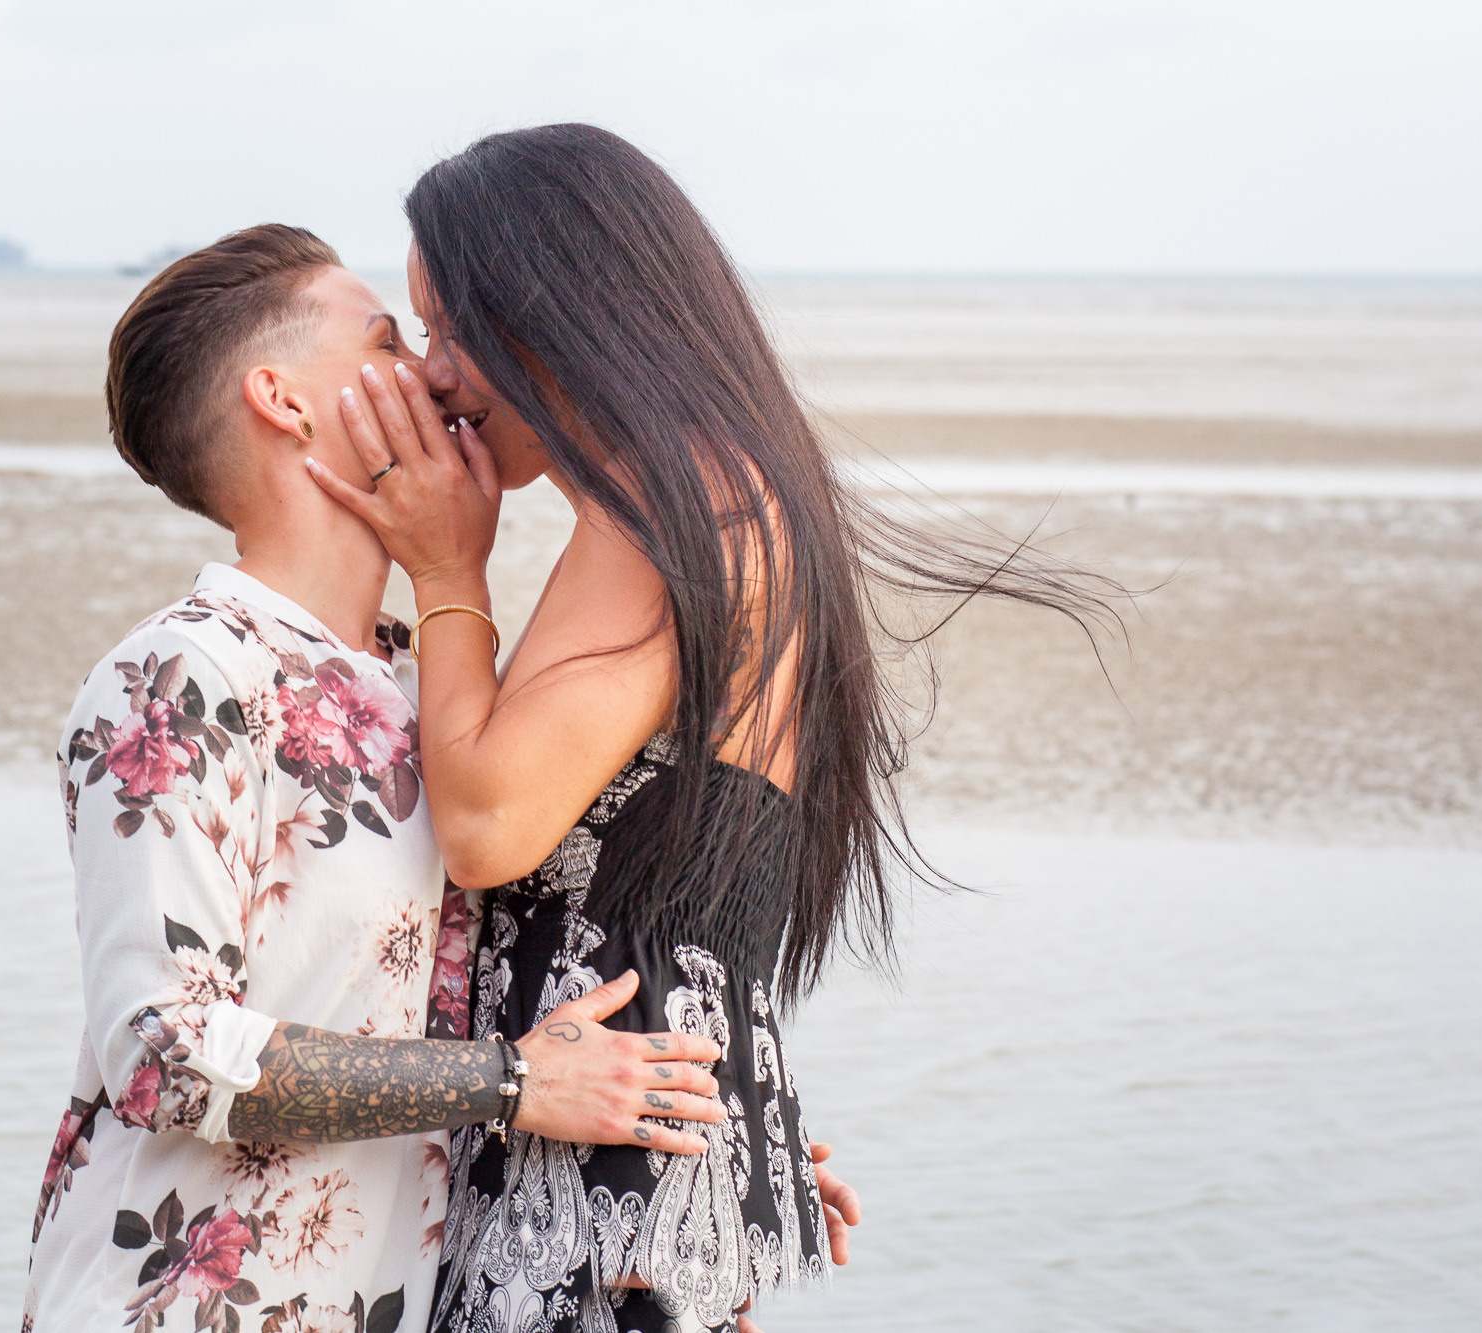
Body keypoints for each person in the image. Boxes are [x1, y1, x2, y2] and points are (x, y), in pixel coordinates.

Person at [308, 124, 1112, 1333]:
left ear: (557, 308)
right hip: (648, 1176)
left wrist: (443, 569)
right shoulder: (724, 493)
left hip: (595, 1207)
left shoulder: (677, 505)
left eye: (449, 329)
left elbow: (486, 826)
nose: (432, 377)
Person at [22, 223, 739, 1333]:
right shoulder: (180, 674)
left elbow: (533, 976)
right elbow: (162, 1051)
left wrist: (714, 1158)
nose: (434, 376)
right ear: (283, 400)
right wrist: (513, 1082)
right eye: (387, 342)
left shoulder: (427, 689)